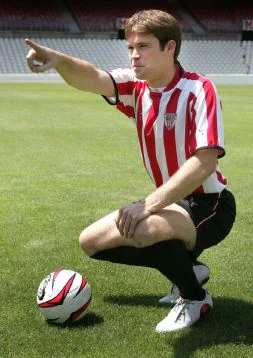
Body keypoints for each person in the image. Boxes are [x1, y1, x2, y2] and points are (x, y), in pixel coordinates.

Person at [25, 9, 236, 332]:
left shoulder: (198, 90)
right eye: (130, 47)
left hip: (210, 205)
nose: (134, 55)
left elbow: (204, 162)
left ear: (170, 48)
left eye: (144, 46)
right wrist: (57, 60)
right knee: (91, 242)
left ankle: (194, 298)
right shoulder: (136, 86)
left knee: (142, 228)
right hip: (171, 204)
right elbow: (93, 79)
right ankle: (188, 269)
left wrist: (148, 204)